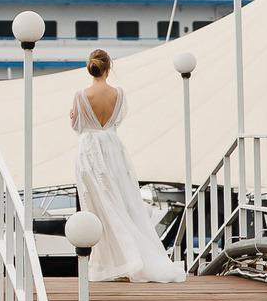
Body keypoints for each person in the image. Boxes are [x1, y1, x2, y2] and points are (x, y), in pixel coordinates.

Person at [70, 50, 183, 283]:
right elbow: (117, 120)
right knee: (120, 200)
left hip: (89, 152)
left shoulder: (81, 95)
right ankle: (126, 258)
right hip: (112, 149)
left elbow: (77, 125)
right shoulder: (118, 93)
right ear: (108, 68)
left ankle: (109, 262)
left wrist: (75, 117)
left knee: (97, 207)